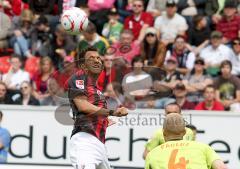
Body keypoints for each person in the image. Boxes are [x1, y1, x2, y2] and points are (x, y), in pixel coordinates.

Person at [68, 46, 128, 169]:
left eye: (98, 58)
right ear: (83, 65)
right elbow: (83, 106)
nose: (97, 61)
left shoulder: (97, 90)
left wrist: (105, 120)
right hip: (85, 141)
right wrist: (112, 112)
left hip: (99, 144)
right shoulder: (78, 78)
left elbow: (93, 112)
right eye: (91, 58)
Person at [145, 113, 227, 169]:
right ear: (184, 132)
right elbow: (221, 167)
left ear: (163, 133)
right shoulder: (203, 148)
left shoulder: (152, 154)